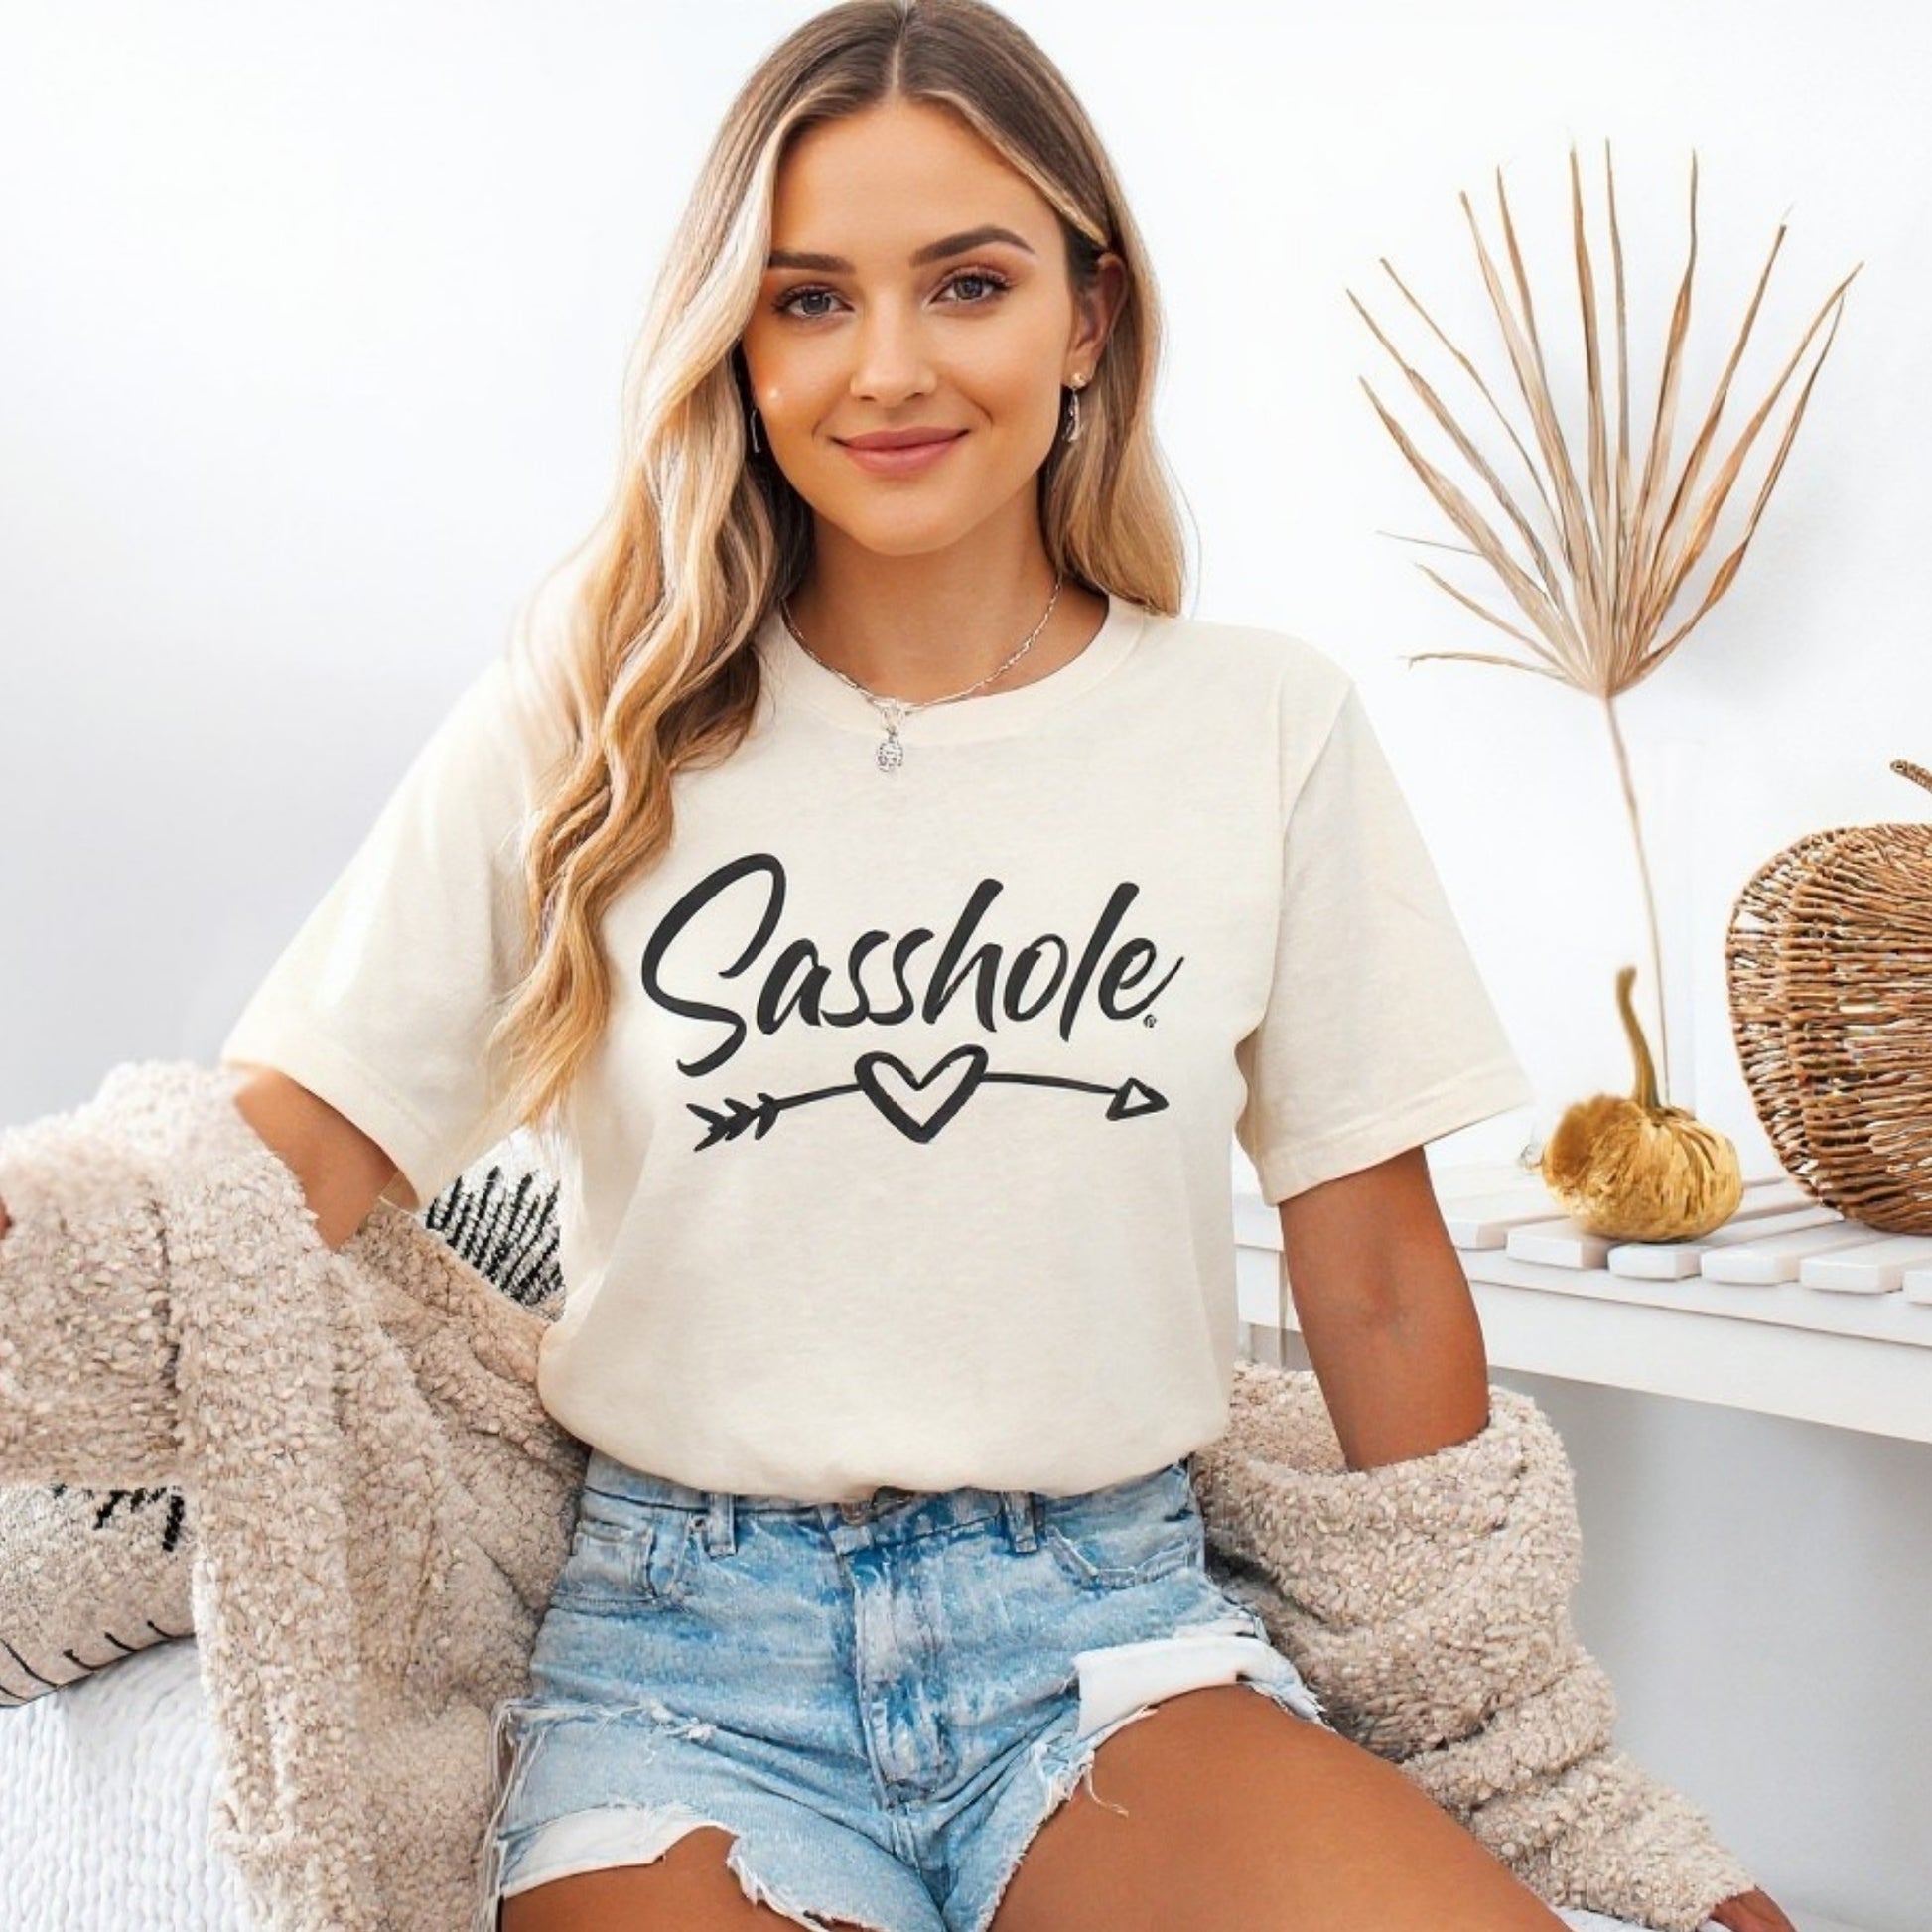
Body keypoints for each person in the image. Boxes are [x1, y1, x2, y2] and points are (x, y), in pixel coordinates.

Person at [22, 4, 1781, 1929]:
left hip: (1112, 1650)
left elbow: (1367, 1280)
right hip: (681, 1670)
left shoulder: (1259, 729)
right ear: (738, 341)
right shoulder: (592, 717)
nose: (888, 368)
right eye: (807, 300)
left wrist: (1531, 1761)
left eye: (967, 283)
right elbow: (282, 1165)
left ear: (1088, 318)